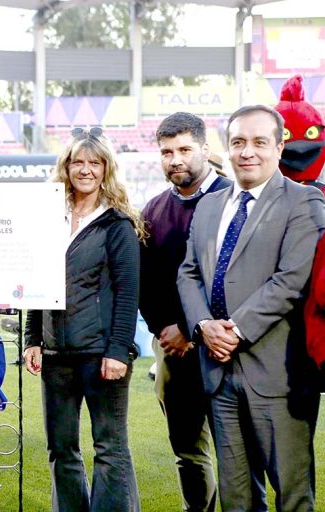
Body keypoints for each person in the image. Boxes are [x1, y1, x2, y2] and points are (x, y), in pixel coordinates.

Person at [177, 105, 325, 511]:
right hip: (218, 374)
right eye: (239, 142)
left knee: (293, 497)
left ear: (279, 147)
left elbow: (291, 281)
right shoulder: (209, 205)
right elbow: (188, 273)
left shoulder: (304, 202)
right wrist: (204, 326)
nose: (247, 152)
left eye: (260, 142)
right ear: (226, 147)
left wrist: (234, 331)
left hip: (277, 375)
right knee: (237, 499)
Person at [23, 127, 143, 512]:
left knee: (109, 447)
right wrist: (31, 338)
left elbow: (128, 293)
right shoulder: (48, 217)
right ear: (66, 166)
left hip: (101, 354)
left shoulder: (117, 223)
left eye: (94, 162)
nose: (86, 169)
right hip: (56, 355)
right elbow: (33, 281)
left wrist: (118, 351)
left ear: (106, 168)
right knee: (61, 448)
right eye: (78, 161)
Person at [140, 112, 230, 512]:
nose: (175, 159)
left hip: (229, 346)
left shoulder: (235, 197)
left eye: (184, 149)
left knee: (239, 452)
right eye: (166, 152)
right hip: (172, 349)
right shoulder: (154, 210)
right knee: (187, 450)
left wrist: (195, 330)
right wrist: (165, 329)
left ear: (205, 150)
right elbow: (146, 282)